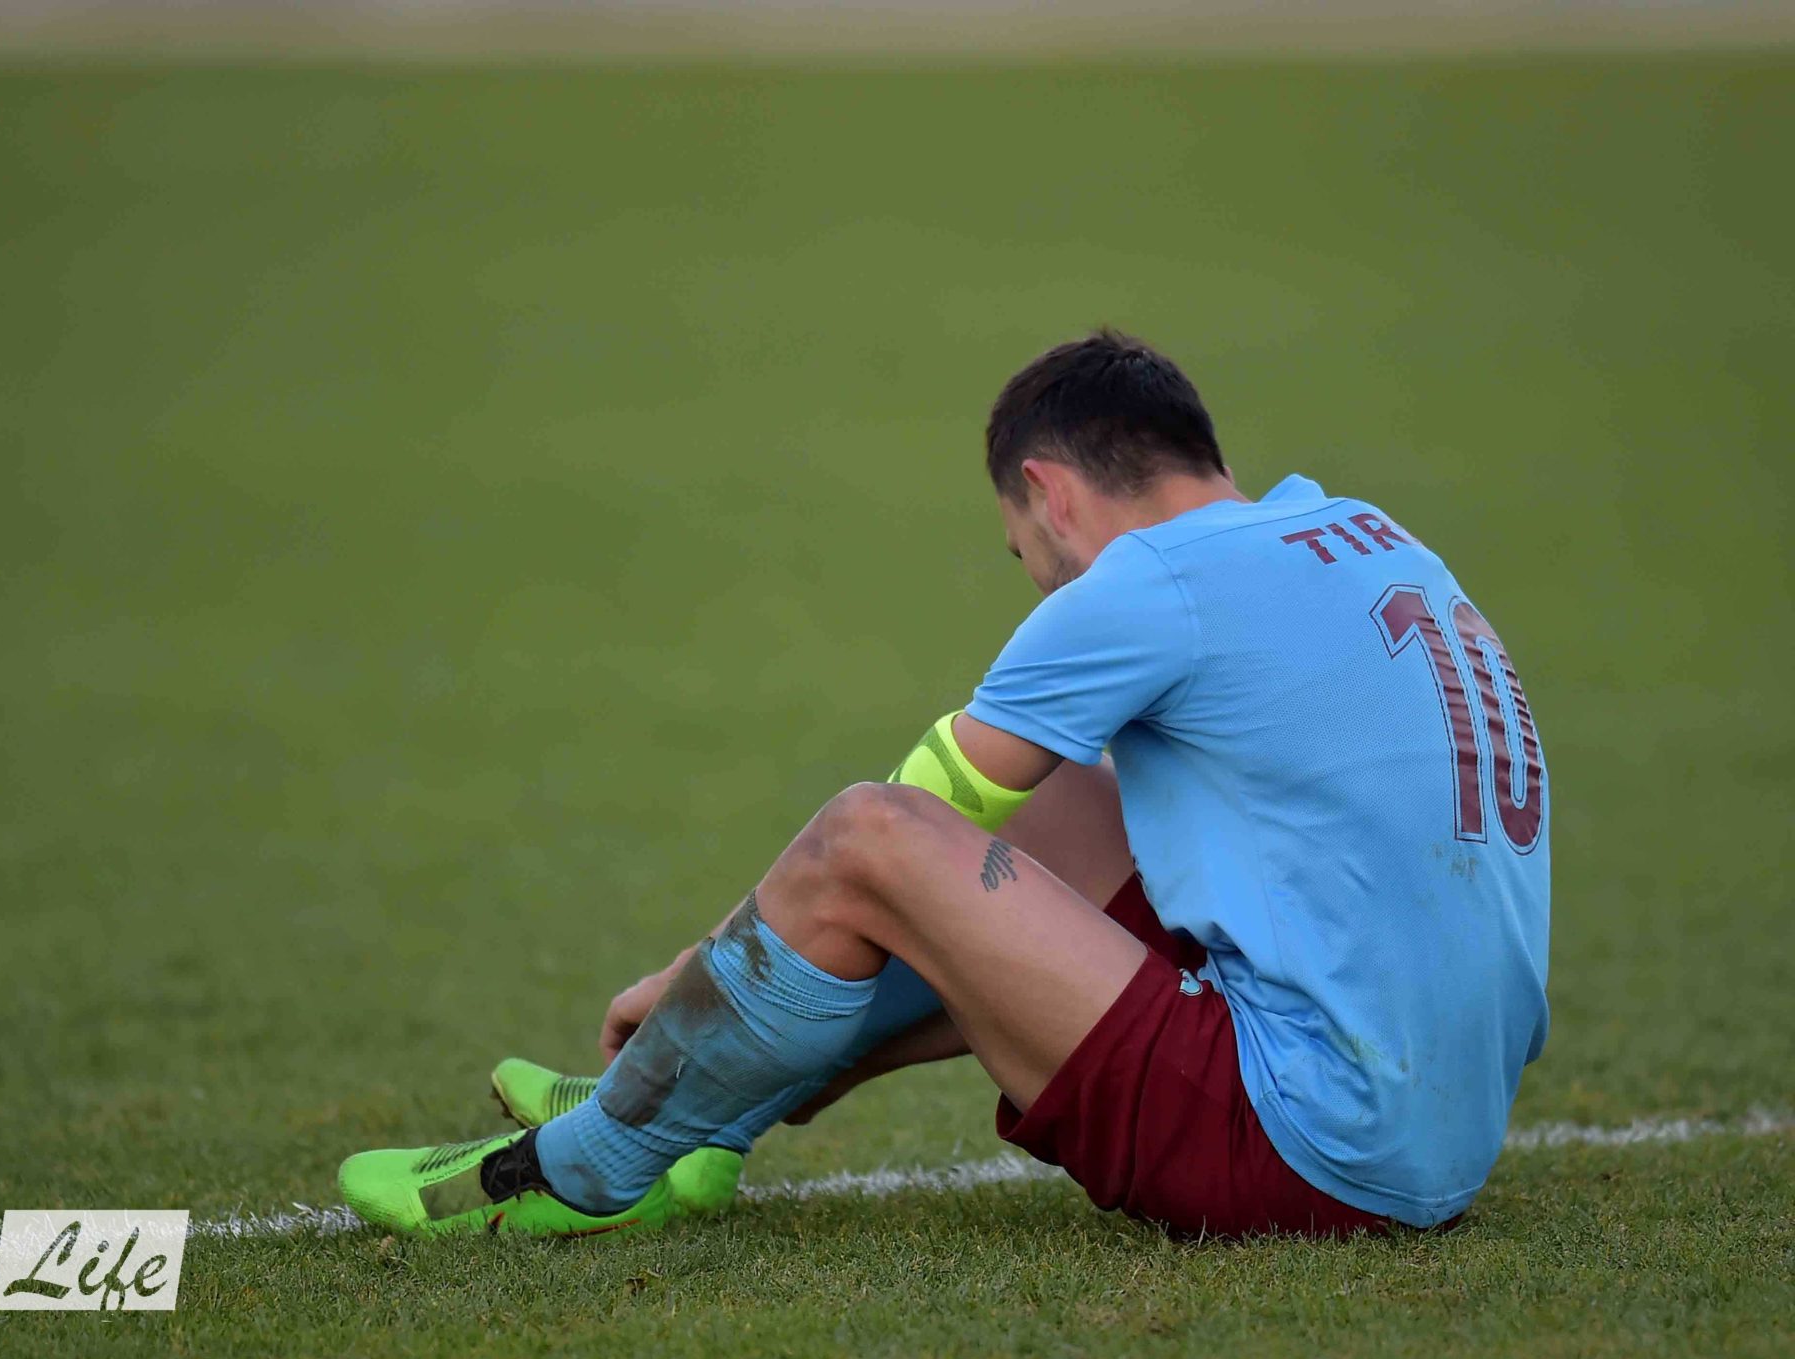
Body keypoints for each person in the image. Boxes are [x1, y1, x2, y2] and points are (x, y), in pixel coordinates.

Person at [338, 330, 1551, 1240]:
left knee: (871, 835)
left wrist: (687, 981)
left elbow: (911, 818)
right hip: (1436, 1129)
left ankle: (588, 1168)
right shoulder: (1364, 537)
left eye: (1025, 554)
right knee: (1069, 800)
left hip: (1308, 1149)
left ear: (1049, 493)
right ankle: (693, 1115)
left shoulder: (1150, 580)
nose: (1041, 582)